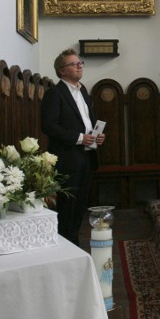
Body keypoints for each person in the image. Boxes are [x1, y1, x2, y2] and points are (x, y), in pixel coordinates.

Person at [41, 49, 105, 247]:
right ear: (62, 71)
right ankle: (66, 248)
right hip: (68, 159)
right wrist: (79, 138)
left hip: (86, 157)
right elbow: (49, 126)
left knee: (80, 207)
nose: (79, 66)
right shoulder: (55, 94)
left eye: (80, 63)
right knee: (68, 208)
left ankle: (74, 246)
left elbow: (87, 121)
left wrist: (96, 136)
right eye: (74, 64)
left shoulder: (83, 91)